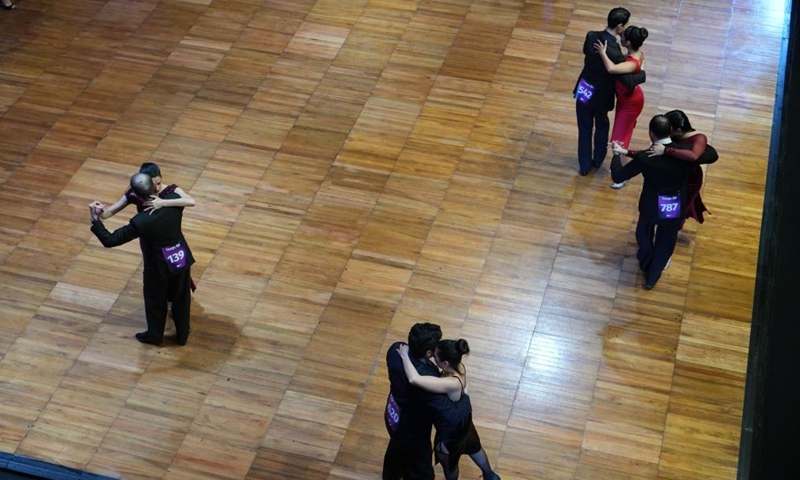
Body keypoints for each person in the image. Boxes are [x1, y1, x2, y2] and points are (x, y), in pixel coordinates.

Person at [89, 173, 195, 346]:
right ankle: (183, 335)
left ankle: (155, 335)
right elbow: (188, 201)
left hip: (157, 267)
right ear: (155, 186)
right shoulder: (173, 200)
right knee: (182, 297)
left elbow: (110, 240)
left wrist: (95, 219)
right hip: (180, 257)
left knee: (155, 300)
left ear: (137, 196)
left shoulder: (141, 221)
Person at [610, 115, 695, 290]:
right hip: (673, 203)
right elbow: (711, 154)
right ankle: (652, 278)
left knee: (643, 233)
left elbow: (618, 176)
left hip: (650, 205)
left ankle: (645, 261)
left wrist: (617, 154)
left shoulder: (646, 158)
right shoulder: (686, 153)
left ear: (651, 133)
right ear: (670, 131)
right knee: (666, 240)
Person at [398, 339, 501, 480]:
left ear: (445, 363)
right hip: (464, 420)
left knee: (450, 464)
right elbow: (465, 388)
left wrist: (404, 355)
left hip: (452, 429)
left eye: (435, 357)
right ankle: (490, 475)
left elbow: (414, 379)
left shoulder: (450, 383)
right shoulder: (459, 366)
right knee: (474, 447)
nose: (432, 357)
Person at [99, 162, 197, 294]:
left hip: (169, 235)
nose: (157, 188)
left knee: (177, 268)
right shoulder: (135, 193)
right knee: (155, 267)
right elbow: (107, 214)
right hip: (150, 238)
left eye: (159, 183)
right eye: (153, 184)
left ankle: (178, 291)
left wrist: (163, 202)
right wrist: (100, 213)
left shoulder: (170, 190)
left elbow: (191, 201)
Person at [383, 323, 463, 480]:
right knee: (421, 473)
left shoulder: (395, 349)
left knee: (395, 452)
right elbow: (445, 408)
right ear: (428, 353)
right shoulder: (427, 377)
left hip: (393, 416)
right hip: (414, 431)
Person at [574, 7, 646, 176]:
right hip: (602, 96)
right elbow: (628, 81)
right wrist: (642, 73)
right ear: (619, 26)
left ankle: (584, 166)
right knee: (601, 125)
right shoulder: (615, 52)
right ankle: (598, 159)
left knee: (584, 128)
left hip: (585, 88)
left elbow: (587, 53)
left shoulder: (591, 36)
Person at [595, 25, 650, 188]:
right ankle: (622, 166)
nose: (620, 37)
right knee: (624, 135)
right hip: (628, 99)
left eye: (623, 37)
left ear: (628, 42)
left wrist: (602, 52)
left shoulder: (631, 63)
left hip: (629, 103)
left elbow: (612, 68)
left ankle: (623, 175)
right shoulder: (638, 54)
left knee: (618, 140)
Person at [648, 110, 719, 229]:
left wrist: (666, 150)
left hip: (690, 180)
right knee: (667, 207)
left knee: (678, 209)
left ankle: (672, 229)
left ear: (678, 130)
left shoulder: (698, 138)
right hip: (674, 177)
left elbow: (694, 156)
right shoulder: (673, 138)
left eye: (669, 129)